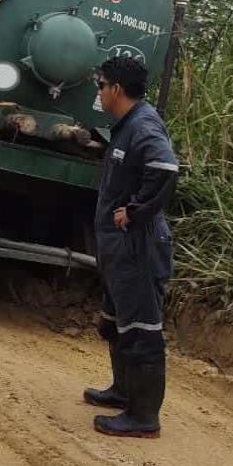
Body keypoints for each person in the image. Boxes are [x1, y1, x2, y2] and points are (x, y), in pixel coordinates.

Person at [84, 56, 178, 438]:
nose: (99, 91)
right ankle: (123, 391)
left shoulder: (143, 126)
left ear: (116, 90)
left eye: (101, 85)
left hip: (137, 246)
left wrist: (135, 211)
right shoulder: (126, 126)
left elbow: (166, 170)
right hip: (119, 248)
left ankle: (143, 417)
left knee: (141, 328)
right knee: (118, 323)